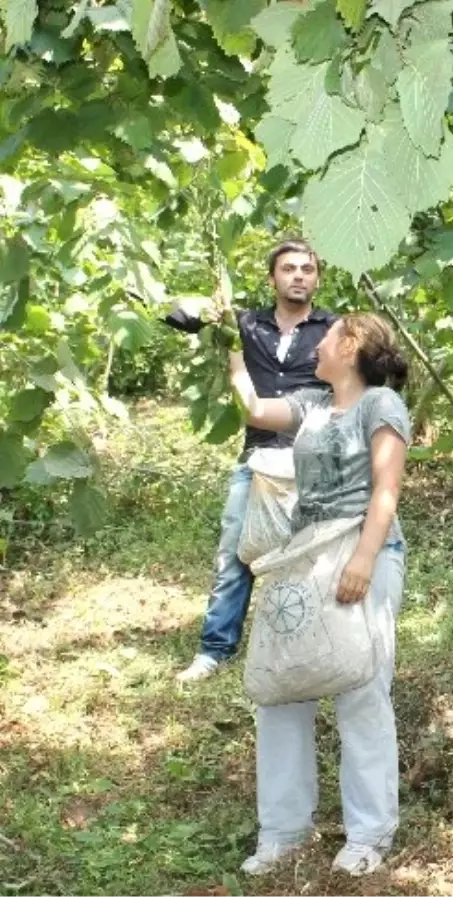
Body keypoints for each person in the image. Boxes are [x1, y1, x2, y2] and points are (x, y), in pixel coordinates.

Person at [226, 312, 412, 877]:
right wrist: (226, 346)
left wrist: (363, 558)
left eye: (328, 337)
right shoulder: (311, 404)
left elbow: (387, 487)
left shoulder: (380, 405)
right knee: (283, 689)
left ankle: (368, 835)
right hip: (304, 555)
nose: (318, 343)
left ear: (351, 344)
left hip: (361, 551)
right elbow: (257, 411)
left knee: (360, 686)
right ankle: (282, 833)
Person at [169, 239, 337, 682]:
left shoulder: (333, 328)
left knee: (314, 555)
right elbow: (179, 316)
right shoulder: (245, 325)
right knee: (235, 553)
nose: (299, 275)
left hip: (312, 457)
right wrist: (203, 304)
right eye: (288, 268)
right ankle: (214, 649)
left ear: (317, 279)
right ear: (273, 278)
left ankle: (312, 646)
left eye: (307, 269)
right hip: (257, 455)